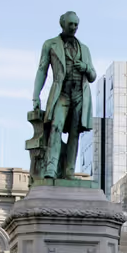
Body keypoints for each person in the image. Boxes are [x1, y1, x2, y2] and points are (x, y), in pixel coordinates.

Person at [31, 11, 96, 181]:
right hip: (62, 93)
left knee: (75, 133)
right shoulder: (50, 44)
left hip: (80, 94)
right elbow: (42, 70)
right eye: (71, 24)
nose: (74, 28)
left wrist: (85, 67)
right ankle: (51, 168)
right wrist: (35, 96)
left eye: (76, 25)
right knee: (56, 126)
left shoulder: (84, 49)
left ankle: (69, 170)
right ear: (63, 24)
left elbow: (93, 76)